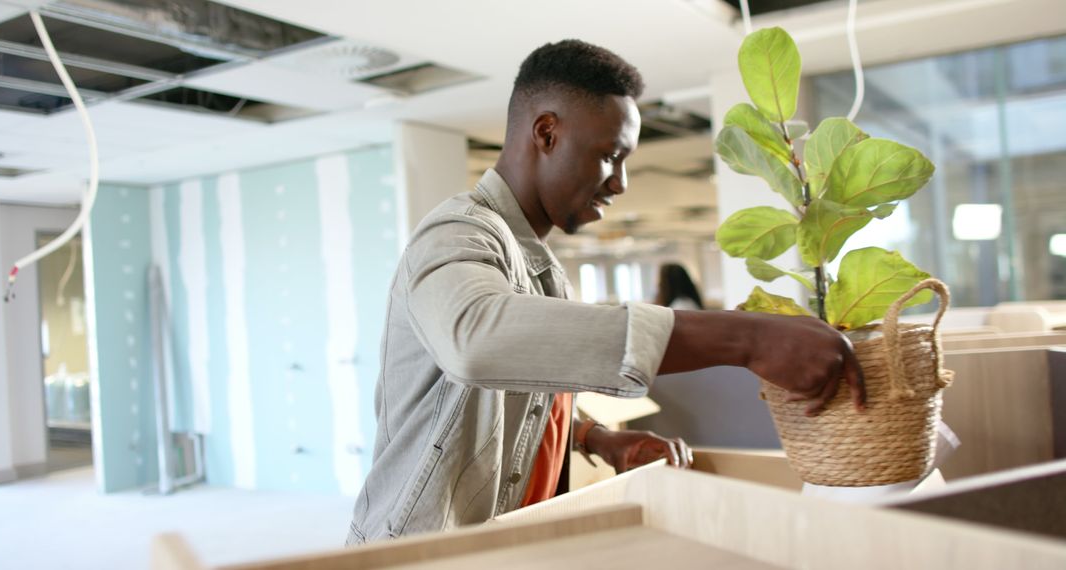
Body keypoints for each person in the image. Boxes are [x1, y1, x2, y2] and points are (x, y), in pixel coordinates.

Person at [346, 39, 864, 544]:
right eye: (610, 156)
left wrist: (598, 438)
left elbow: (516, 394)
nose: (620, 183)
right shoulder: (457, 232)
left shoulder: (542, 268)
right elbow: (478, 342)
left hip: (504, 547)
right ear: (546, 132)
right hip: (417, 551)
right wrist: (746, 339)